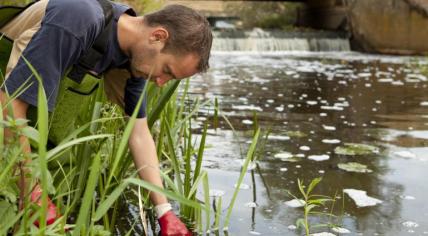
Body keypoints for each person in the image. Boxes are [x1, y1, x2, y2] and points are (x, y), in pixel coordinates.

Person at [0, 0, 213, 235]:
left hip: (22, 143)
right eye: (167, 71)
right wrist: (32, 194)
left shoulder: (133, 60)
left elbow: (139, 133)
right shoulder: (78, 19)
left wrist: (165, 212)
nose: (161, 84)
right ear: (158, 36)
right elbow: (10, 108)